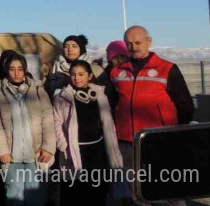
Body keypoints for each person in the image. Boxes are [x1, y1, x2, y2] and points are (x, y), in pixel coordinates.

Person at [111, 26, 194, 203]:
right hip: (128, 141)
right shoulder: (117, 72)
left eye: (138, 42)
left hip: (160, 139)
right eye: (129, 43)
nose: (133, 47)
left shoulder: (167, 68)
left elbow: (185, 104)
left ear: (149, 41)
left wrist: (176, 131)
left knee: (169, 185)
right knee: (137, 189)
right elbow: (110, 102)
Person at [53, 60, 122, 206]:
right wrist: (63, 143)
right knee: (74, 192)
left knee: (97, 192)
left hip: (96, 151)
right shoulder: (61, 96)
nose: (76, 78)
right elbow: (56, 122)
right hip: (73, 150)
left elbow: (107, 124)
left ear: (90, 76)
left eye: (81, 74)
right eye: (73, 74)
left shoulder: (99, 95)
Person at [0, 53, 56, 206]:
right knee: (14, 198)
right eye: (12, 69)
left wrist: (48, 148)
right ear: (7, 71)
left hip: (37, 155)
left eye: (20, 69)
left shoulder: (39, 91)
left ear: (25, 70)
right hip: (12, 157)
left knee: (36, 198)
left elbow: (48, 121)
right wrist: (3, 151)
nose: (16, 73)